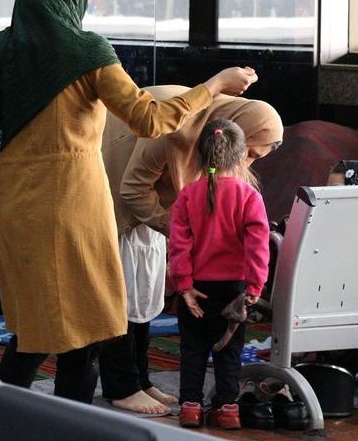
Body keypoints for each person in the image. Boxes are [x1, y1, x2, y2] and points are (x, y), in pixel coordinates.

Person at [0, 0, 258, 404]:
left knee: (35, 324)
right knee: (86, 322)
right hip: (75, 206)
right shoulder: (87, 51)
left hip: (15, 206)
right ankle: (74, 426)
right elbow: (150, 119)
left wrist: (11, 167)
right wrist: (213, 86)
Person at [98, 88, 282, 416]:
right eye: (249, 153)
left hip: (171, 247)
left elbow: (183, 236)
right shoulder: (178, 126)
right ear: (237, 140)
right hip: (119, 201)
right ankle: (123, 386)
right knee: (122, 298)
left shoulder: (194, 186)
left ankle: (152, 385)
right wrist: (255, 286)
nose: (248, 163)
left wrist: (183, 278)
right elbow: (132, 188)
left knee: (147, 305)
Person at [169, 118, 271, 429]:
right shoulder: (249, 196)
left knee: (193, 349)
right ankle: (227, 409)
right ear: (242, 156)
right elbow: (258, 242)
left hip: (197, 290)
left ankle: (190, 407)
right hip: (235, 291)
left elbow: (179, 244)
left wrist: (183, 286)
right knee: (230, 350)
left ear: (200, 156)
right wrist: (255, 286)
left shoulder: (188, 195)